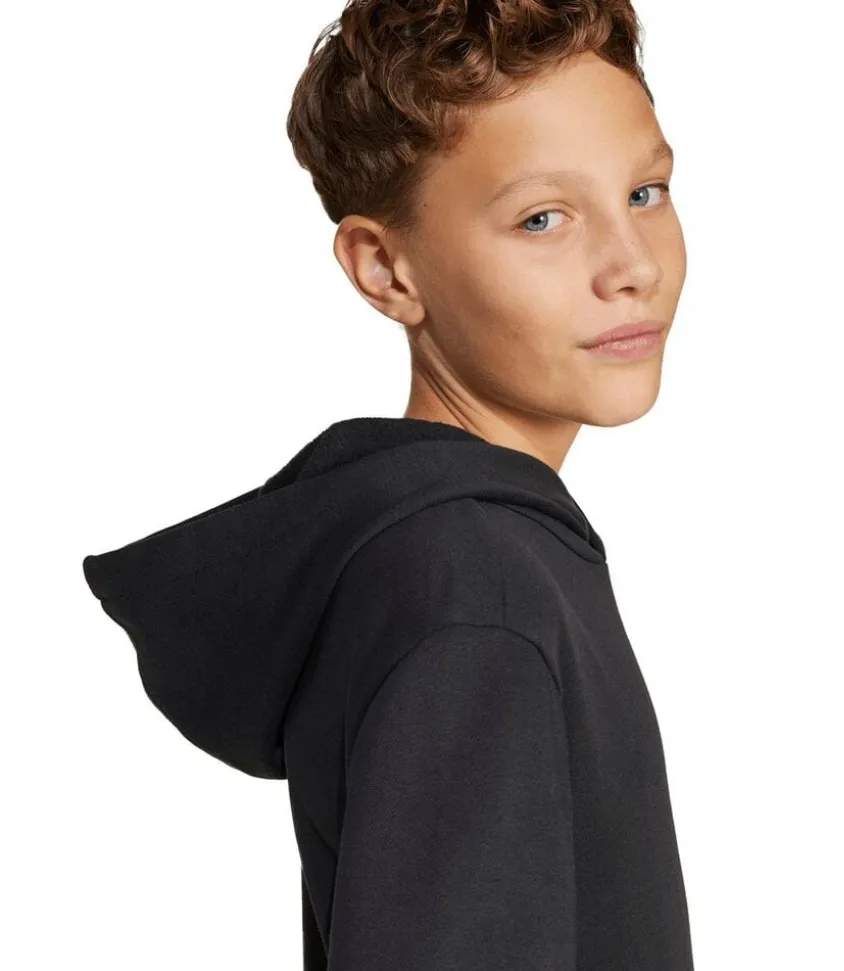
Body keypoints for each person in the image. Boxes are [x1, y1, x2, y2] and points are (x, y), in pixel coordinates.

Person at [82, 2, 693, 968]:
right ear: (385, 270)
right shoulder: (474, 594)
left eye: (646, 192)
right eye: (542, 218)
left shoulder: (456, 555)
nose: (634, 266)